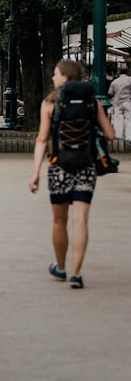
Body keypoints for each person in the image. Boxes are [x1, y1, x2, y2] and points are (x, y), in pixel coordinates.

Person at [28, 59, 116, 289]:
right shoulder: (92, 102)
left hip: (59, 167)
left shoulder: (49, 103)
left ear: (65, 77)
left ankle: (61, 267)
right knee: (80, 220)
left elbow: (42, 139)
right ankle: (76, 273)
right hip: (86, 166)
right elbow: (110, 135)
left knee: (59, 220)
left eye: (56, 74)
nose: (53, 78)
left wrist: (36, 172)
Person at [108, 62, 131, 139]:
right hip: (128, 102)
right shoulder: (130, 80)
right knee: (129, 119)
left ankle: (118, 137)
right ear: (127, 72)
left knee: (118, 119)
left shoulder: (114, 82)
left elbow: (110, 93)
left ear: (119, 72)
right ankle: (129, 137)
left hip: (117, 103)